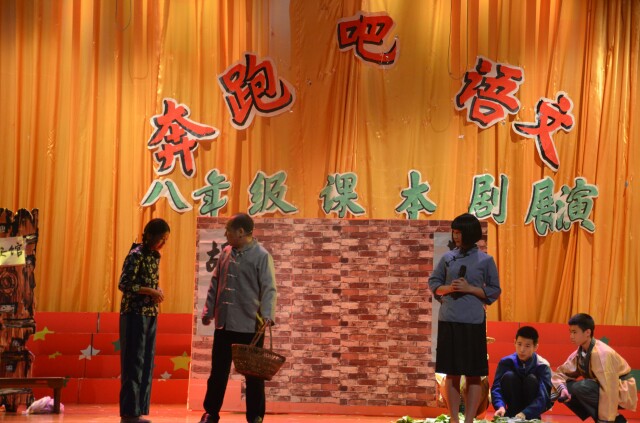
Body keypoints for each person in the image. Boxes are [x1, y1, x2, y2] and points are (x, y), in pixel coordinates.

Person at [200, 213, 277, 423]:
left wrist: (268, 315)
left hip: (250, 326)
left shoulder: (262, 256)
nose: (226, 235)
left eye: (229, 231)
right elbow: (215, 283)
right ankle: (211, 412)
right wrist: (208, 311)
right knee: (218, 372)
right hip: (224, 324)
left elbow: (269, 288)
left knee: (254, 375)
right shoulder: (225, 253)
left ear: (241, 232)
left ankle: (255, 416)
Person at [428, 213, 501, 423]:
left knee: (473, 374)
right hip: (449, 320)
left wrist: (470, 289)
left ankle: (469, 419)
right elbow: (434, 284)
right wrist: (449, 288)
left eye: (459, 232)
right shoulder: (448, 258)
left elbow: (494, 290)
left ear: (470, 233)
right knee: (451, 373)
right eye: (454, 232)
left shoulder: (486, 260)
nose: (456, 236)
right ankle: (453, 418)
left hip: (473, 322)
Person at [118, 218, 170, 423]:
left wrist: (157, 291)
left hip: (150, 313)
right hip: (134, 313)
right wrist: (150, 291)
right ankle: (129, 413)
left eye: (165, 240)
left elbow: (149, 283)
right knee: (133, 363)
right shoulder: (136, 255)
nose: (163, 243)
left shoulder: (154, 256)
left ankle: (138, 411)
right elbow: (124, 284)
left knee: (146, 362)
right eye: (161, 238)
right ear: (149, 235)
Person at [552, 313, 637, 423]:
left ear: (587, 332)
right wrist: (562, 390)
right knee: (567, 387)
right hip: (604, 387)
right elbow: (561, 373)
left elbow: (609, 388)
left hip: (620, 389)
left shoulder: (602, 353)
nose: (571, 336)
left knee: (581, 387)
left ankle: (616, 420)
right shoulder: (579, 352)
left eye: (574, 332)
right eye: (570, 332)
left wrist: (605, 420)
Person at [491, 326, 553, 420]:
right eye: (519, 344)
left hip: (532, 414)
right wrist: (500, 406)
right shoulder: (506, 362)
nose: (522, 349)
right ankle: (511, 415)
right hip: (511, 412)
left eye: (527, 346)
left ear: (535, 347)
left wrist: (526, 413)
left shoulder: (542, 365)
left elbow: (544, 396)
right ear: (514, 342)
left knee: (531, 379)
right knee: (509, 376)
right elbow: (497, 387)